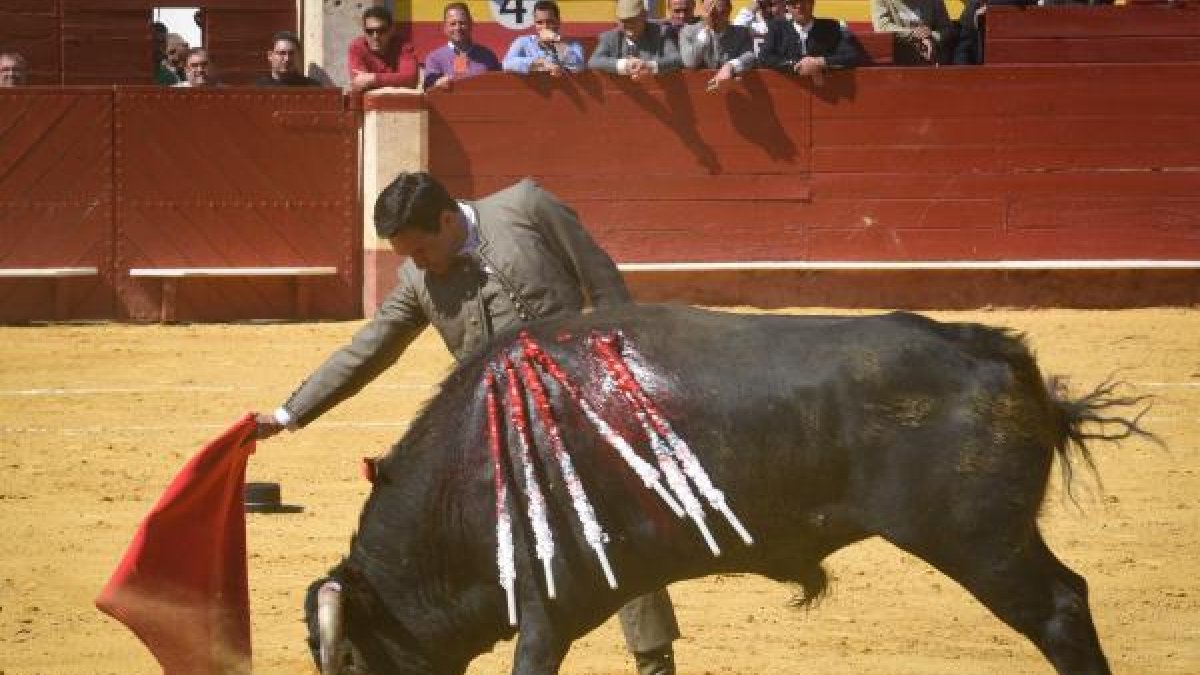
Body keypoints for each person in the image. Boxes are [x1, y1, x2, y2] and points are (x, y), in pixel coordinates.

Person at [253, 171, 681, 675]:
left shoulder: (527, 207)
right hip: (497, 434)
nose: (419, 264)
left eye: (421, 251)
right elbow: (369, 350)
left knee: (612, 525)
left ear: (448, 219)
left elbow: (602, 280)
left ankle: (654, 662)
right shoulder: (418, 282)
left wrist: (620, 372)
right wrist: (287, 414)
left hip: (583, 411)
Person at [758, 0, 863, 82]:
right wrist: (796, 65)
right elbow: (764, 56)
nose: (799, 6)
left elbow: (851, 54)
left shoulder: (830, 27)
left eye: (804, 1)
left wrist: (820, 62)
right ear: (787, 7)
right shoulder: (777, 28)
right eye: (794, 2)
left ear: (812, 3)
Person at [588, 0, 684, 79]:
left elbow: (677, 58)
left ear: (644, 16)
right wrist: (625, 65)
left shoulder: (661, 32)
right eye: (624, 21)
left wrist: (649, 66)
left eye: (632, 20)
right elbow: (594, 61)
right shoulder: (610, 37)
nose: (628, 25)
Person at [423, 2, 502, 91]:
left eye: (462, 23)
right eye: (453, 24)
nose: (458, 28)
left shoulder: (488, 56)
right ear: (445, 28)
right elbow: (428, 84)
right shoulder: (434, 58)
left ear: (471, 24)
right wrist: (437, 82)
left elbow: (500, 87)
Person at [679, 0, 755, 90]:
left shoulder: (741, 32)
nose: (715, 18)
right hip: (701, 91)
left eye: (721, 13)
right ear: (703, 10)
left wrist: (730, 66)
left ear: (729, 10)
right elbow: (690, 62)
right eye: (711, 13)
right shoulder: (688, 31)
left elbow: (750, 56)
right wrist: (706, 30)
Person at [502, 0, 586, 76]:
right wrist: (540, 62)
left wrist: (557, 42)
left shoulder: (572, 44)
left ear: (558, 22)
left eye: (550, 22)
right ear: (534, 23)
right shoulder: (523, 42)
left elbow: (578, 67)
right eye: (539, 22)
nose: (545, 27)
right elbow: (506, 64)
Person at [347, 6, 421, 92]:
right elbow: (359, 82)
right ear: (364, 30)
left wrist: (373, 78)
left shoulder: (404, 47)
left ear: (392, 29)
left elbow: (410, 79)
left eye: (381, 31)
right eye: (369, 31)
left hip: (398, 101)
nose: (375, 36)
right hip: (368, 102)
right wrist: (396, 81)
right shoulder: (357, 47)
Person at [870, 0, 955, 65]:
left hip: (930, 60)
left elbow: (947, 29)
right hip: (898, 61)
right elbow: (882, 27)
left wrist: (931, 35)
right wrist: (914, 34)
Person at [256, 31, 322, 86]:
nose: (287, 59)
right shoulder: (258, 89)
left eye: (291, 53)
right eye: (282, 53)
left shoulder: (312, 88)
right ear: (270, 56)